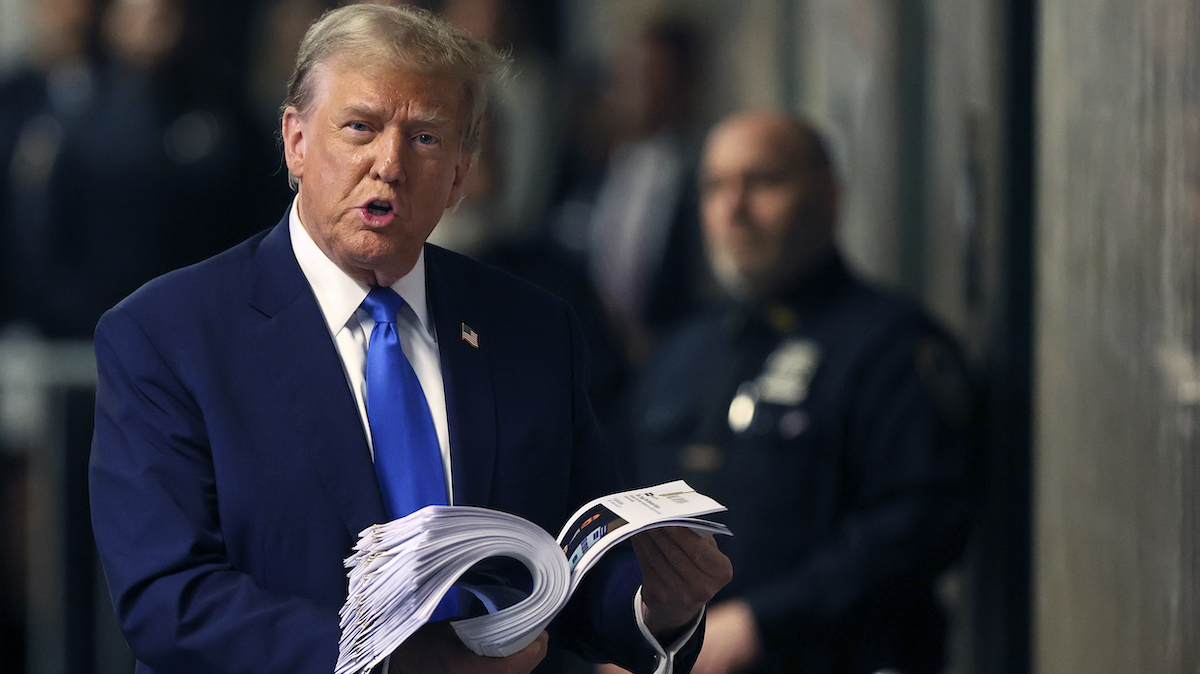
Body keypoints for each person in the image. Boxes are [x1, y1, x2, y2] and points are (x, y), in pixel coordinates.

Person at [88, 5, 731, 674]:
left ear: (460, 172)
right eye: (360, 128)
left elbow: (574, 566)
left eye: (425, 137)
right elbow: (168, 599)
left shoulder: (534, 328)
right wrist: (398, 664)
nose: (388, 164)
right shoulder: (166, 335)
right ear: (296, 141)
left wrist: (656, 606)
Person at [615, 111, 976, 674]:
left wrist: (761, 622)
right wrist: (617, 635)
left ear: (829, 195)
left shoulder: (893, 347)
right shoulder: (679, 355)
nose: (733, 208)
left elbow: (920, 524)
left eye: (762, 182)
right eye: (715, 187)